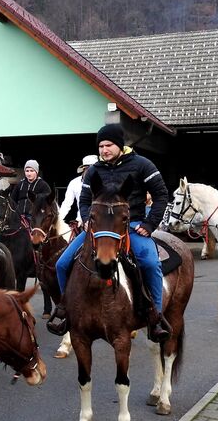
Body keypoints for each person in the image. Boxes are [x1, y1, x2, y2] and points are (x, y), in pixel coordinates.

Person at [48, 123, 171, 343]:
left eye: (109, 145)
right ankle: (66, 308)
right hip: (97, 229)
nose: (104, 150)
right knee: (61, 264)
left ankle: (156, 316)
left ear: (120, 145)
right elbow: (84, 201)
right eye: (101, 146)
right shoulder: (94, 170)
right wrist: (86, 220)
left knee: (151, 263)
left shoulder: (143, 165)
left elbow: (161, 195)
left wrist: (150, 224)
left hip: (131, 227)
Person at [59, 154, 98, 235]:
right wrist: (58, 220)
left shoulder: (103, 183)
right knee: (71, 246)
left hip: (102, 222)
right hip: (82, 222)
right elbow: (67, 204)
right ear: (84, 169)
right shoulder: (74, 183)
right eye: (89, 168)